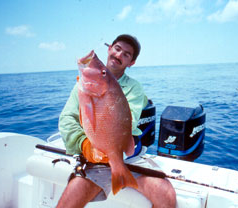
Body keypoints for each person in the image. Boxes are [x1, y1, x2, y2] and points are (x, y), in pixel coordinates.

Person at [57, 34, 176, 208]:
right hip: (95, 158)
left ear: (131, 63)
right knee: (68, 201)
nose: (119, 55)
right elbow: (66, 119)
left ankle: (121, 175)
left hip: (128, 158)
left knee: (166, 194)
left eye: (126, 54)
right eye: (117, 49)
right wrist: (84, 145)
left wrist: (114, 154)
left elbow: (129, 122)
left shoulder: (135, 88)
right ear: (109, 49)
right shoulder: (83, 86)